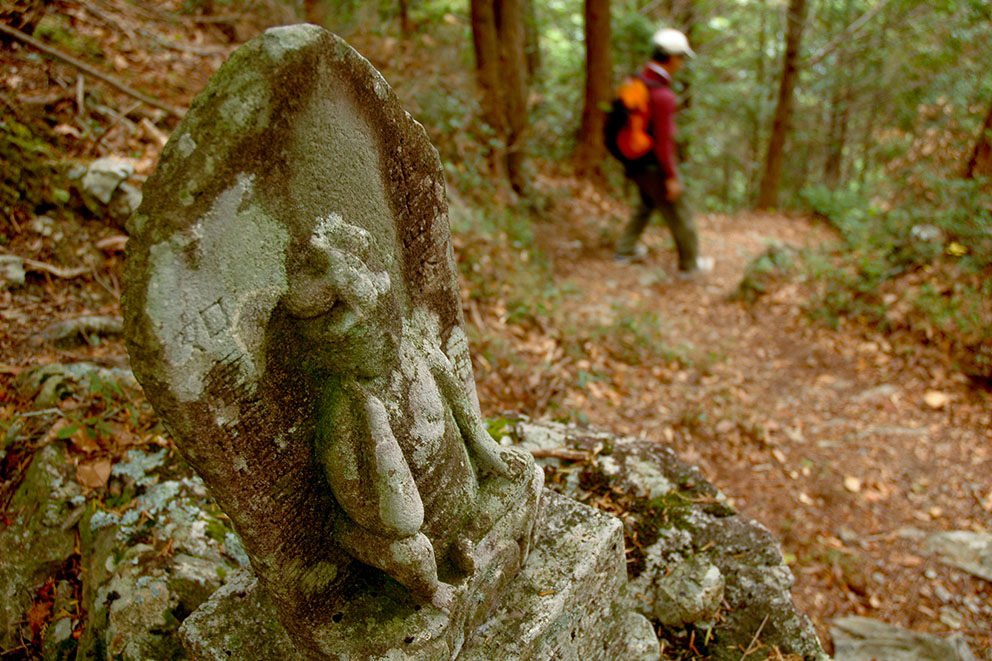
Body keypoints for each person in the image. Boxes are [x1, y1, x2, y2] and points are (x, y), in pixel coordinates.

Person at [615, 28, 713, 276]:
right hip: (653, 165)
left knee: (646, 204)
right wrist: (671, 176)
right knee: (680, 214)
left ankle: (625, 249)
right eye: (681, 58)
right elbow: (664, 143)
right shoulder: (663, 96)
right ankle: (690, 266)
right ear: (672, 58)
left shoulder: (636, 81)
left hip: (635, 161)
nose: (681, 64)